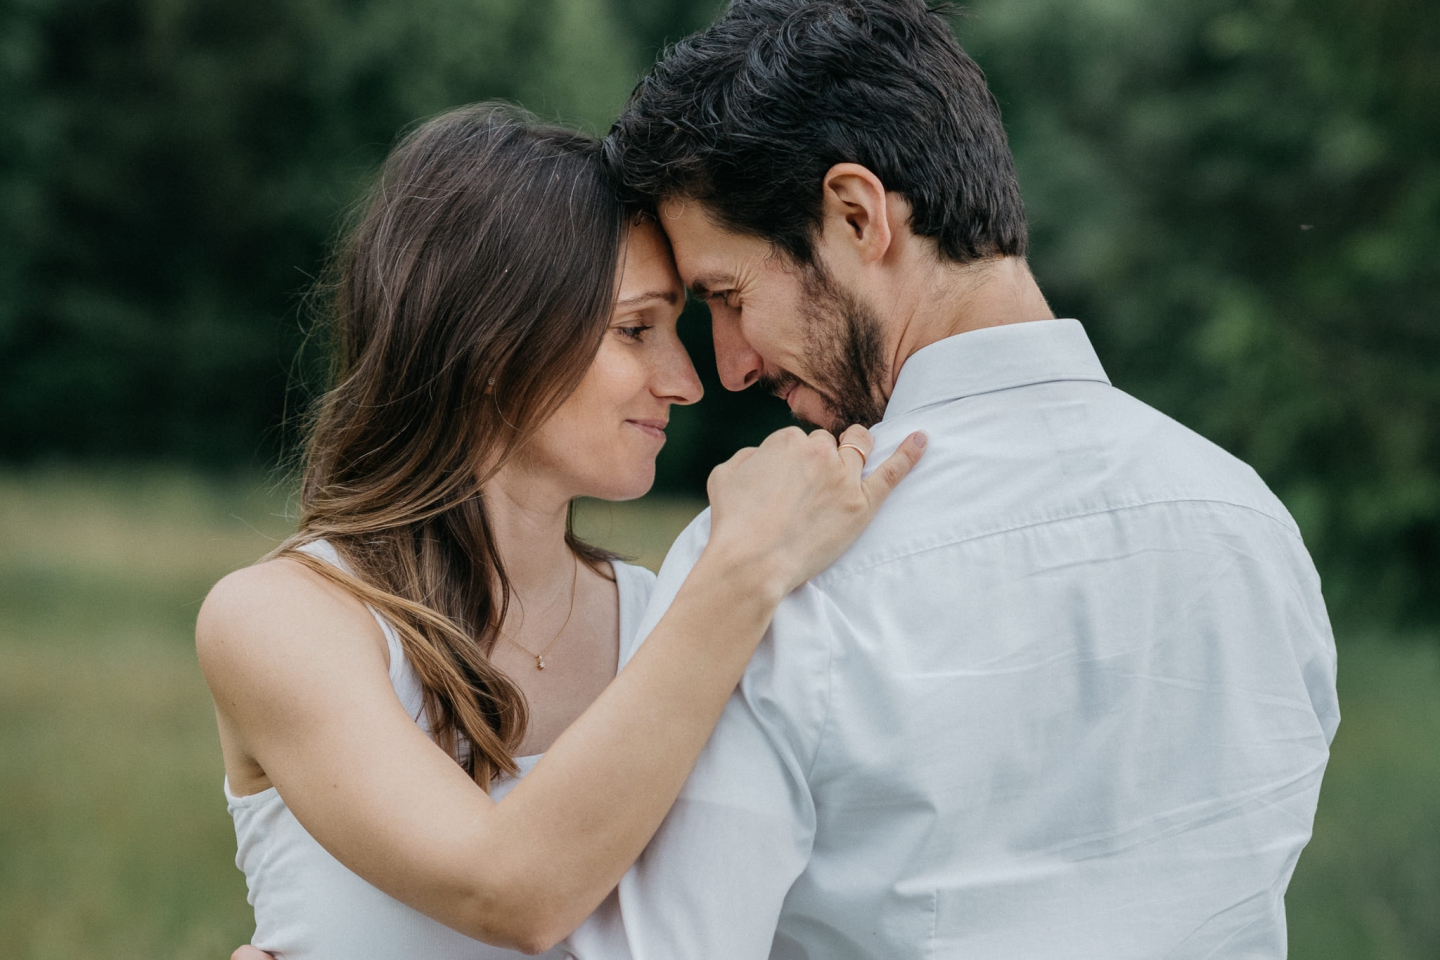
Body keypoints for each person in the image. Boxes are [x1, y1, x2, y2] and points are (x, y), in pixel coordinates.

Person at [553, 1, 1340, 958]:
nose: (730, 367)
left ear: (857, 215)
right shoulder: (1247, 522)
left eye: (728, 296)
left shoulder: (768, 569)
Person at [202, 102, 926, 960]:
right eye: (636, 329)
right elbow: (509, 892)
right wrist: (748, 561)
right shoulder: (284, 620)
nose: (686, 381)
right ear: (493, 344)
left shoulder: (664, 620)